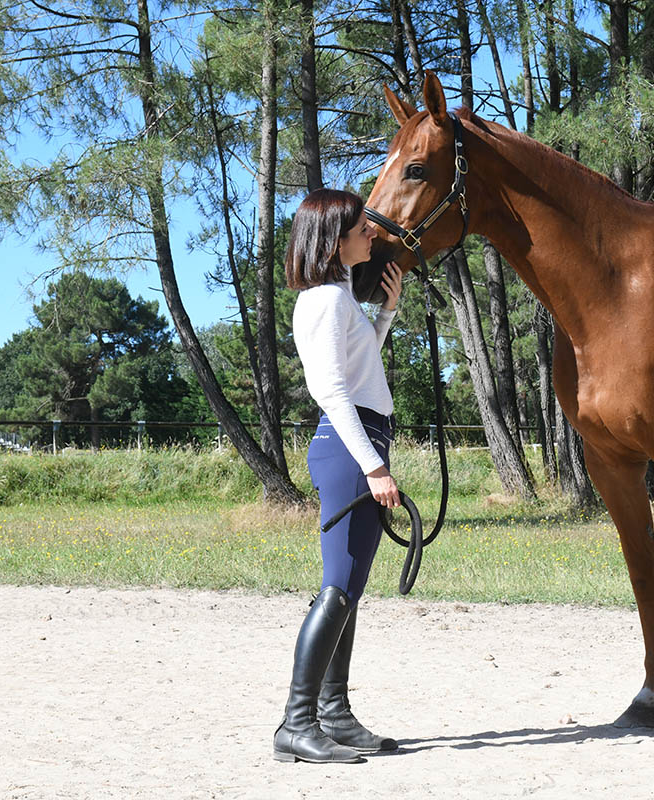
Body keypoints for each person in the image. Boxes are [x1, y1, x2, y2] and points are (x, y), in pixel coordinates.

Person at [273, 188, 405, 763]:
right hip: (352, 450)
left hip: (358, 443)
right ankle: (296, 724)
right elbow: (330, 391)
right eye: (361, 230)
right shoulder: (325, 301)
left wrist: (385, 315)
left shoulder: (336, 297)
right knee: (338, 587)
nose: (370, 235)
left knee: (346, 589)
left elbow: (359, 371)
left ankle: (333, 714)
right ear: (334, 239)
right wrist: (373, 466)